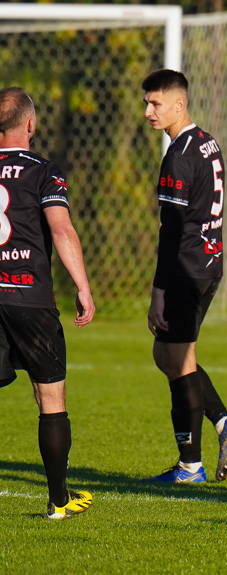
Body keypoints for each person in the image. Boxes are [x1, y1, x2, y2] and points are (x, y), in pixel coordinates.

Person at [141, 69, 227, 483]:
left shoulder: (179, 155)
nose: (148, 111)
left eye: (156, 103)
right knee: (166, 356)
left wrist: (158, 292)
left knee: (178, 360)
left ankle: (190, 466)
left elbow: (172, 231)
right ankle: (223, 424)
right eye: (147, 102)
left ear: (179, 104)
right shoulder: (207, 143)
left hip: (186, 270)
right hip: (208, 263)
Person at [0, 87, 96, 519]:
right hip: (31, 298)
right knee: (50, 396)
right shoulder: (43, 171)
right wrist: (82, 285)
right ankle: (59, 500)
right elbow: (60, 229)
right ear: (31, 124)